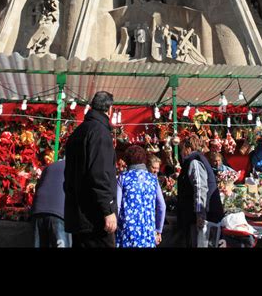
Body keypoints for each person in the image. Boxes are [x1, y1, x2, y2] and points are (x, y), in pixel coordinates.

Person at [64, 91, 118, 248]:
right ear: (109, 110)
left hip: (78, 215)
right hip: (95, 218)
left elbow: (68, 176)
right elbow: (99, 174)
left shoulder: (78, 133)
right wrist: (107, 210)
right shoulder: (100, 133)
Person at [177, 134, 224, 248]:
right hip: (201, 214)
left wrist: (200, 214)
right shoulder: (196, 160)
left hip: (203, 216)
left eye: (181, 149)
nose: (181, 153)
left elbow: (200, 189)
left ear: (188, 148)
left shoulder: (195, 162)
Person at [116, 145, 166, 248]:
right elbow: (162, 206)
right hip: (148, 233)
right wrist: (158, 230)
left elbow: (117, 206)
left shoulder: (123, 178)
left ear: (127, 160)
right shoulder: (153, 179)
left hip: (127, 233)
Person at [31, 157, 71, 247]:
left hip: (38, 211)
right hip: (58, 214)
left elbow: (38, 187)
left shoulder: (50, 166)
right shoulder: (76, 166)